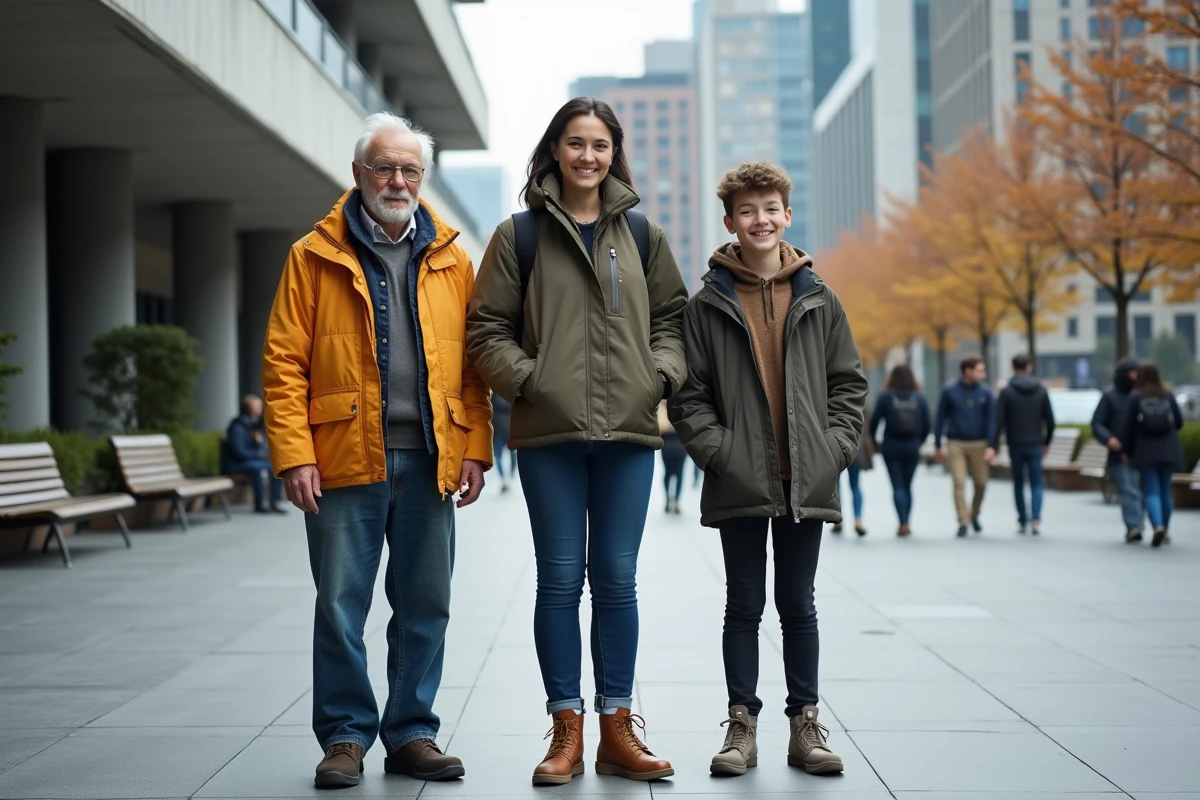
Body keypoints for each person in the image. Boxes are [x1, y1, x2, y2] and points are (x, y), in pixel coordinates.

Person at [262, 113, 493, 788]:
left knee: (426, 602)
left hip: (429, 459)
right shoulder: (312, 255)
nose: (397, 180)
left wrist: (475, 446)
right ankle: (344, 737)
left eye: (410, 170)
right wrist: (293, 454)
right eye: (385, 167)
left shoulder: (453, 259)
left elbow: (472, 367)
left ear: (423, 179)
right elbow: (283, 363)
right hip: (341, 458)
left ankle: (413, 732)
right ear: (358, 173)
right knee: (340, 606)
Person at [466, 97, 687, 785]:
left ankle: (618, 730)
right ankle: (566, 730)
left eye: (599, 145)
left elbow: (675, 320)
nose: (587, 156)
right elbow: (484, 332)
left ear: (613, 152)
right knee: (560, 581)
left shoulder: (644, 235)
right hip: (549, 434)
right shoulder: (519, 236)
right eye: (575, 143)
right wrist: (532, 382)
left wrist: (658, 376)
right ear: (555, 150)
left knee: (617, 582)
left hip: (626, 433)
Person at [668, 161, 868, 778]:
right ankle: (741, 726)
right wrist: (721, 453)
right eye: (747, 211)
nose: (761, 219)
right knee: (743, 605)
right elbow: (689, 393)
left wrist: (834, 447)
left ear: (786, 215)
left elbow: (849, 384)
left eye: (771, 208)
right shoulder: (706, 303)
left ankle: (804, 725)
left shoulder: (819, 296)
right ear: (730, 221)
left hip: (806, 475)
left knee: (798, 605)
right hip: (742, 476)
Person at [1120, 362, 1185, 548]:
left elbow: (1128, 428)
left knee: (1151, 491)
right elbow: (1179, 422)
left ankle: (1157, 526)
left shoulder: (1135, 397)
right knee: (1165, 490)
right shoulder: (1167, 395)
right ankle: (1165, 528)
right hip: (1168, 449)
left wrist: (1127, 451)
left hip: (1146, 450)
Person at [991, 354, 1055, 535]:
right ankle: (1036, 517)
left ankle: (1022, 519)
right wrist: (1047, 441)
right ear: (1030, 367)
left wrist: (994, 444)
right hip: (1035, 443)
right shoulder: (1041, 390)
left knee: (1018, 482)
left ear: (1013, 368)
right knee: (1036, 482)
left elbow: (999, 421)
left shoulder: (1007, 392)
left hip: (1015, 443)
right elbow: (1050, 420)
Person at [935, 356, 997, 538]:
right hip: (956, 443)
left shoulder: (986, 393)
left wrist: (992, 445)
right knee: (959, 482)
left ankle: (974, 513)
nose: (983, 374)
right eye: (979, 370)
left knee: (981, 483)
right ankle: (963, 521)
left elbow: (992, 421)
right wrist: (938, 444)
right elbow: (940, 418)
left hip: (980, 443)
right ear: (967, 371)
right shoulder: (949, 390)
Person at [869, 364, 931, 537]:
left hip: (891, 446)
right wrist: (919, 442)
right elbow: (927, 423)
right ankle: (907, 522)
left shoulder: (885, 397)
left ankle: (902, 522)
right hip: (912, 446)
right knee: (908, 485)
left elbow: (874, 422)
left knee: (897, 485)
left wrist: (875, 443)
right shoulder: (918, 397)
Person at [1091, 358, 1146, 542]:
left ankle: (1146, 524)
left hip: (1141, 452)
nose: (1135, 376)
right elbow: (1097, 422)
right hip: (1119, 452)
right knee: (1129, 489)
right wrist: (1108, 439)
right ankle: (1135, 526)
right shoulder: (1110, 396)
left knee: (1140, 490)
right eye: (1132, 373)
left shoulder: (1143, 395)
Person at [224, 394, 284, 513]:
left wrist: (259, 444)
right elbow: (239, 452)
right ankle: (259, 503)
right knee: (258, 468)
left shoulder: (252, 425)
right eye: (258, 404)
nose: (261, 406)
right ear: (249, 408)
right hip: (235, 465)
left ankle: (273, 501)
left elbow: (259, 448)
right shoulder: (238, 427)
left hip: (248, 461)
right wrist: (259, 454)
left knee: (276, 466)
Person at [832, 438, 872, 536]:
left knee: (836, 486)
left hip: (836, 449)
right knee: (855, 486)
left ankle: (837, 519)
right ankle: (858, 521)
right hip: (855, 448)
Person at [659, 402, 687, 514]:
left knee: (672, 474)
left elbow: (661, 427)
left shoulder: (662, 410)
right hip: (672, 447)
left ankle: (673, 500)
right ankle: (672, 500)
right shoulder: (682, 408)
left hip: (672, 446)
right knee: (673, 474)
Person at [491, 393, 518, 493]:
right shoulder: (511, 396)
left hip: (498, 431)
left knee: (498, 456)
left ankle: (504, 478)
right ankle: (511, 474)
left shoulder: (494, 398)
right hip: (510, 431)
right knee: (512, 454)